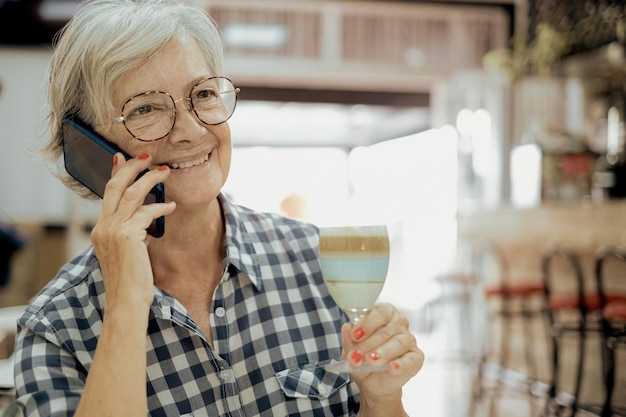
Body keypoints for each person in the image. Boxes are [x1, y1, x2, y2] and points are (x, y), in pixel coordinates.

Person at [12, 0, 424, 416]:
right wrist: (124, 304)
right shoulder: (55, 328)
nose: (191, 131)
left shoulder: (317, 260)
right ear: (87, 148)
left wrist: (382, 398)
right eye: (146, 108)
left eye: (203, 94)